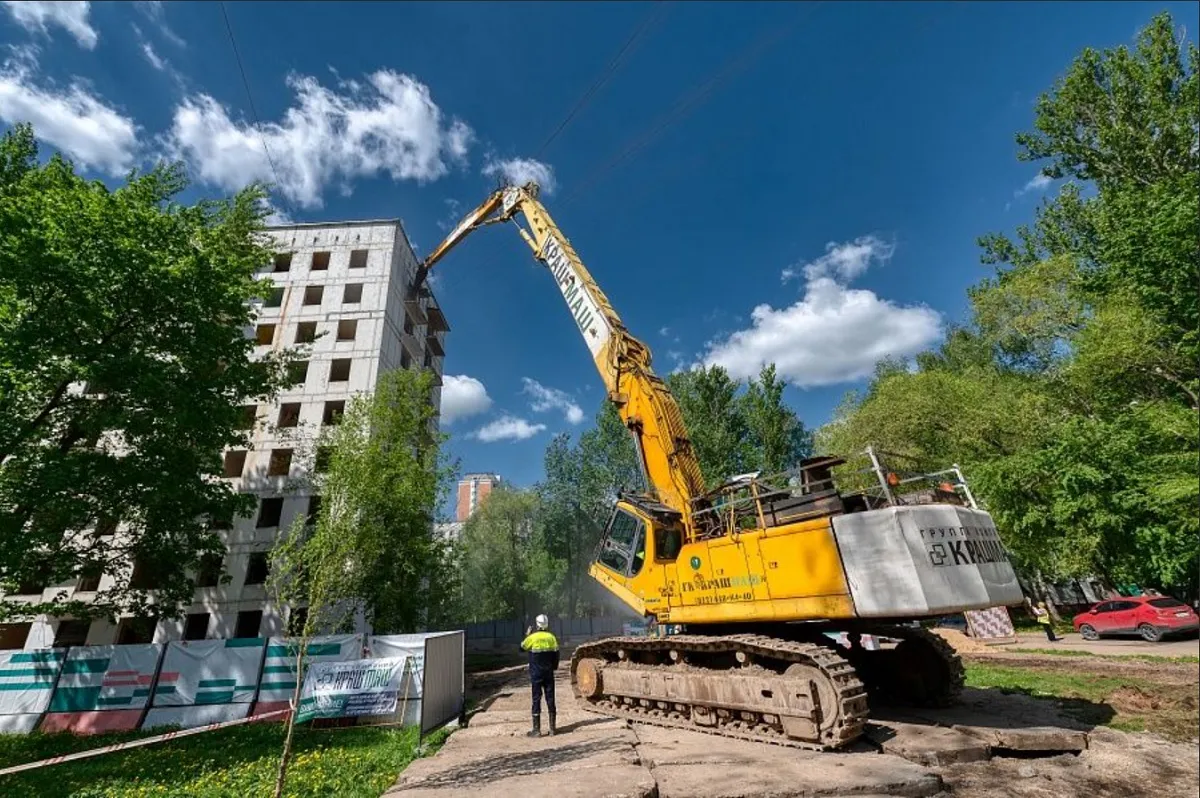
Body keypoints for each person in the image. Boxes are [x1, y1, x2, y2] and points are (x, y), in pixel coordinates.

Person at [520, 614, 560, 737]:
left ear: (537, 624)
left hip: (536, 674)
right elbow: (556, 655)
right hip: (548, 673)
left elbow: (522, 648)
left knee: (536, 699)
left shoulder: (532, 637)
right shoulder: (551, 637)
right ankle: (552, 729)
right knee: (550, 698)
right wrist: (553, 667)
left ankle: (536, 730)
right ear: (547, 624)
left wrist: (527, 634)